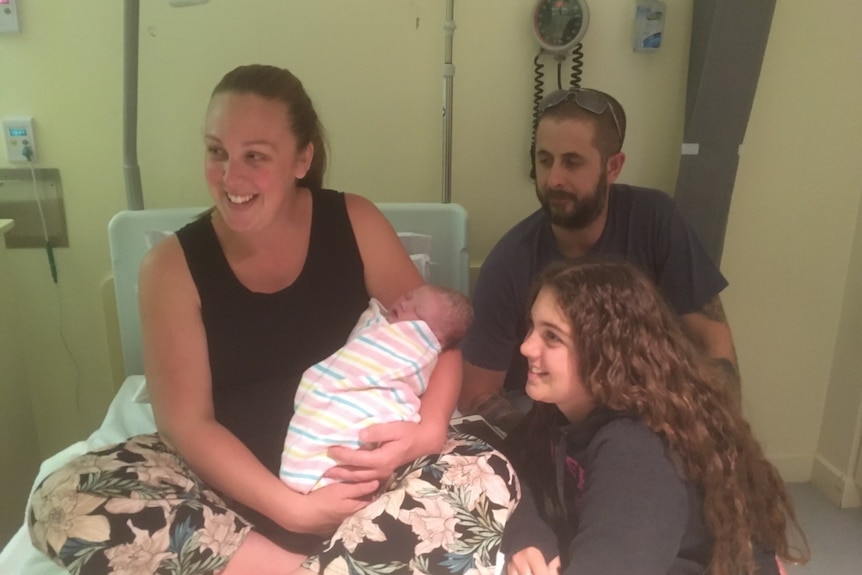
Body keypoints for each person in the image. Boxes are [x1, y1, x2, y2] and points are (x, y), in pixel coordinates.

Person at [27, 64, 517, 575]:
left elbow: (440, 343)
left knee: (486, 476)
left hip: (366, 480)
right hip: (223, 495)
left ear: (302, 158)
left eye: (255, 156)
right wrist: (295, 511)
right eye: (217, 151)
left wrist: (428, 433)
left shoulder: (355, 222)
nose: (230, 177)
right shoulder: (171, 268)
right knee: (64, 500)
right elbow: (185, 423)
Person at [500, 258, 808, 575]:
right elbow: (513, 466)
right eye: (532, 327)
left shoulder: (635, 448)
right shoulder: (558, 411)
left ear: (606, 351)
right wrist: (529, 533)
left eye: (552, 337)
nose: (526, 347)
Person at [459, 87, 739, 432]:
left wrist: (722, 433)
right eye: (545, 160)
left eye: (572, 162)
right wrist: (545, 448)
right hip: (546, 420)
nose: (554, 179)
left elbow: (714, 341)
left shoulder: (656, 222)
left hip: (645, 412)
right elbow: (476, 394)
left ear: (613, 167)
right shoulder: (510, 262)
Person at [281, 285, 473, 493]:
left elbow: (446, 353)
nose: (404, 303)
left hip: (380, 424)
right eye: (407, 295)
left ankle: (314, 470)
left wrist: (430, 432)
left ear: (434, 337)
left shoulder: (418, 349)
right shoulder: (377, 324)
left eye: (417, 312)